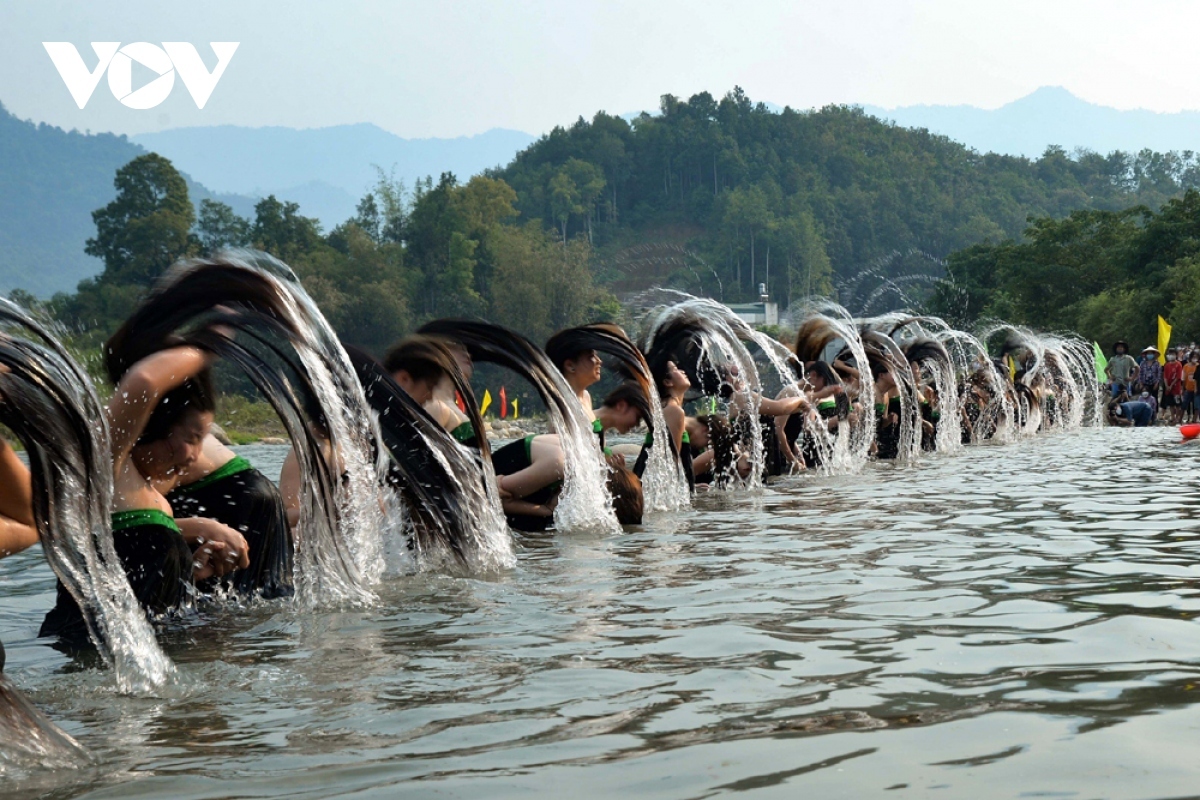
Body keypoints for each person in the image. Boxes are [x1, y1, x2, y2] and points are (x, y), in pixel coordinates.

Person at [40, 345, 248, 646]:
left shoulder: (150, 494)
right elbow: (146, 383)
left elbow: (128, 581)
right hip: (92, 657)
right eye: (192, 438)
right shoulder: (103, 464)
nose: (195, 457)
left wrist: (185, 574)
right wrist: (210, 343)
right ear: (155, 423)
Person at [161, 433, 293, 598]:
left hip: (224, 498)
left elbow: (135, 521)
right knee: (265, 603)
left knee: (201, 610)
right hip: (252, 488)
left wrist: (203, 528)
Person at [1163, 348, 1185, 425]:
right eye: (1170, 354)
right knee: (1171, 404)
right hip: (1168, 388)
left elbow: (1178, 377)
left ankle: (1177, 418)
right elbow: (1165, 376)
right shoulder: (1167, 365)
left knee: (1178, 404)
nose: (1171, 355)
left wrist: (1171, 385)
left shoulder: (1178, 364)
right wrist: (1166, 385)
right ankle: (1173, 417)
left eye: (1172, 354)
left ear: (1176, 355)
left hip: (1176, 387)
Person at [1186, 351, 1200, 424]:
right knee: (1197, 407)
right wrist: (1195, 389)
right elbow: (1196, 379)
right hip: (1198, 390)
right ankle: (1194, 421)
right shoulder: (1198, 367)